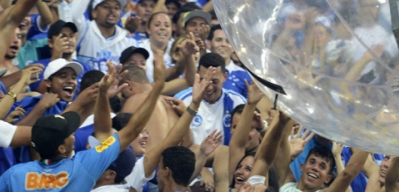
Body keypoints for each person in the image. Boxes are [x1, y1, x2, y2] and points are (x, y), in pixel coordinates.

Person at [0, 56, 165, 191]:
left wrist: (101, 95)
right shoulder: (83, 166)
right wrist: (157, 88)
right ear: (62, 148)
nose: (73, 133)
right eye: (69, 133)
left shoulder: (14, 174)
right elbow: (132, 129)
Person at [176, 53, 245, 144]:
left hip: (225, 157)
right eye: (204, 80)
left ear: (225, 77)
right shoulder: (181, 100)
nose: (209, 87)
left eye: (214, 81)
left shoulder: (238, 101)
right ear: (197, 74)